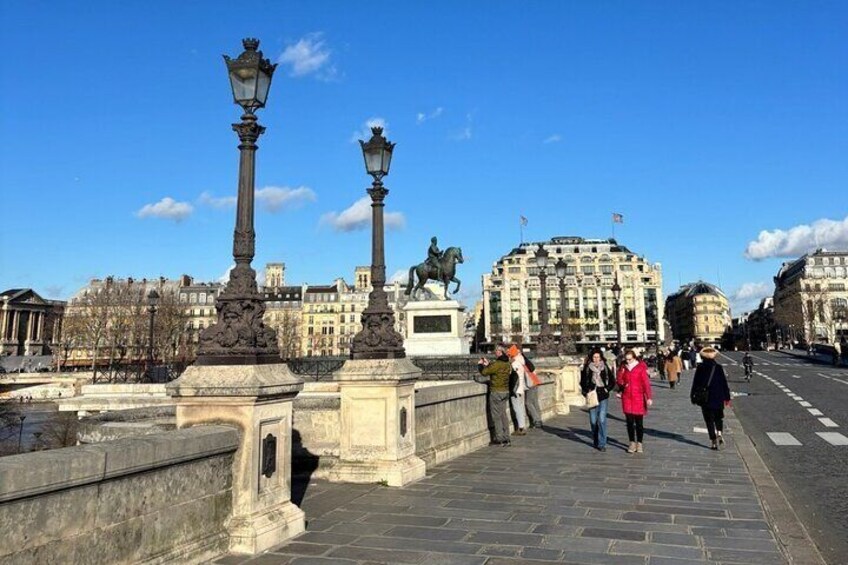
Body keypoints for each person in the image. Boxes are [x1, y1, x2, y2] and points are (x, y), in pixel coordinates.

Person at [690, 346, 731, 450]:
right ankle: (720, 432)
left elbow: (695, 383)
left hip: (706, 398)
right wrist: (727, 397)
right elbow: (724, 383)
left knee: (709, 420)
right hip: (718, 396)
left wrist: (692, 395)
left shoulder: (700, 368)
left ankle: (713, 442)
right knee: (718, 417)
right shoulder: (718, 367)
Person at [617, 349, 653, 454]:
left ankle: (640, 443)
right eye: (626, 359)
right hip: (627, 397)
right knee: (629, 422)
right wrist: (622, 382)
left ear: (634, 358)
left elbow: (646, 383)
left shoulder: (641, 367)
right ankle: (632, 442)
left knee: (639, 423)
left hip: (638, 397)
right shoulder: (623, 367)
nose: (628, 361)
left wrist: (649, 397)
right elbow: (619, 379)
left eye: (630, 359)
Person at [478, 345, 513, 446]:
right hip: (505, 391)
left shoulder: (497, 363)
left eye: (496, 350)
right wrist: (488, 364)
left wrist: (480, 365)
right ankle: (507, 437)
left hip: (496, 392)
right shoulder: (507, 363)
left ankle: (499, 438)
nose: (495, 352)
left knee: (496, 416)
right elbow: (495, 370)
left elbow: (485, 372)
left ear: (500, 352)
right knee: (503, 415)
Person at [580, 349, 614, 451]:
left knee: (602, 420)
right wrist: (586, 391)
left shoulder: (605, 367)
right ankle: (596, 439)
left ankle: (602, 443)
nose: (596, 359)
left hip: (603, 395)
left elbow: (612, 381)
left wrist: (607, 389)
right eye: (594, 357)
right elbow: (582, 382)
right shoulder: (587, 368)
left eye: (598, 357)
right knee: (593, 421)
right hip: (592, 395)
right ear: (591, 358)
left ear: (601, 357)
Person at [508, 345, 542, 429]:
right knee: (534, 402)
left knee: (528, 402)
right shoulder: (523, 359)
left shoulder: (517, 361)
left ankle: (536, 420)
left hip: (530, 383)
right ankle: (539, 419)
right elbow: (532, 368)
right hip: (534, 381)